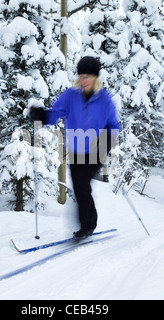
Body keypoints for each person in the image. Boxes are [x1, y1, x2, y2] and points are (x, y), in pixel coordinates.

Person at [29, 56, 120, 239]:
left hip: (96, 150)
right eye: (81, 76)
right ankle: (88, 224)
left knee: (82, 186)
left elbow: (113, 125)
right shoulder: (71, 96)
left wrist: (107, 141)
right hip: (75, 150)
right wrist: (41, 116)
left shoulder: (104, 100)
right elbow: (56, 113)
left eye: (88, 77)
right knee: (80, 189)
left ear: (96, 78)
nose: (84, 81)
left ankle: (86, 227)